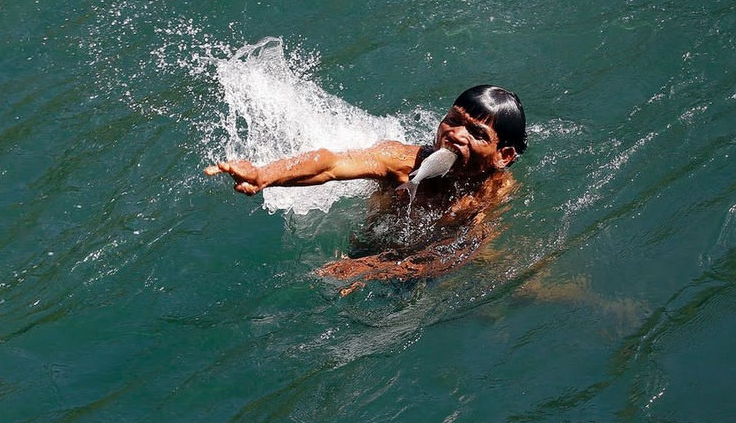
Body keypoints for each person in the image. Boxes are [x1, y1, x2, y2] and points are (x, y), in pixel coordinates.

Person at [205, 85, 527, 292]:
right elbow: (330, 163)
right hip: (366, 248)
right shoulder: (403, 161)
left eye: (476, 133)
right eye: (452, 120)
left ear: (504, 155)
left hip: (411, 275)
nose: (455, 134)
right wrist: (265, 175)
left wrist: (371, 271)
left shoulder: (493, 195)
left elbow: (458, 256)